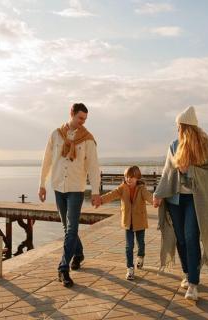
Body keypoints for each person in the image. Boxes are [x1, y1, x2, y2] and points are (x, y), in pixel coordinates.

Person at [153, 106, 208, 301]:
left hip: (195, 200)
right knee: (180, 238)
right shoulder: (174, 145)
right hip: (175, 199)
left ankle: (194, 284)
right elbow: (167, 173)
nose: (177, 130)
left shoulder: (205, 146)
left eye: (179, 126)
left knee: (191, 237)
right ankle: (187, 273)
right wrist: (158, 194)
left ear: (186, 126)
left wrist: (193, 170)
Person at [39, 103, 101, 287]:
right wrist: (41, 184)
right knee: (67, 227)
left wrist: (96, 192)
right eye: (80, 118)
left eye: (85, 119)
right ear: (71, 114)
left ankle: (63, 268)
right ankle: (79, 253)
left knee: (72, 228)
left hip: (76, 188)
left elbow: (93, 166)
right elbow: (47, 161)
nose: (83, 122)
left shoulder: (88, 139)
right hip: (58, 186)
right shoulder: (55, 135)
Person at [96, 166, 153, 280]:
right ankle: (130, 269)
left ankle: (140, 257)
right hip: (128, 222)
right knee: (129, 246)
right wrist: (100, 200)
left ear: (137, 177)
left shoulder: (141, 189)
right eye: (127, 177)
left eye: (131, 177)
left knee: (140, 243)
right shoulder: (122, 188)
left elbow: (149, 197)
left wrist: (156, 201)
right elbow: (112, 195)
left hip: (139, 221)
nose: (128, 179)